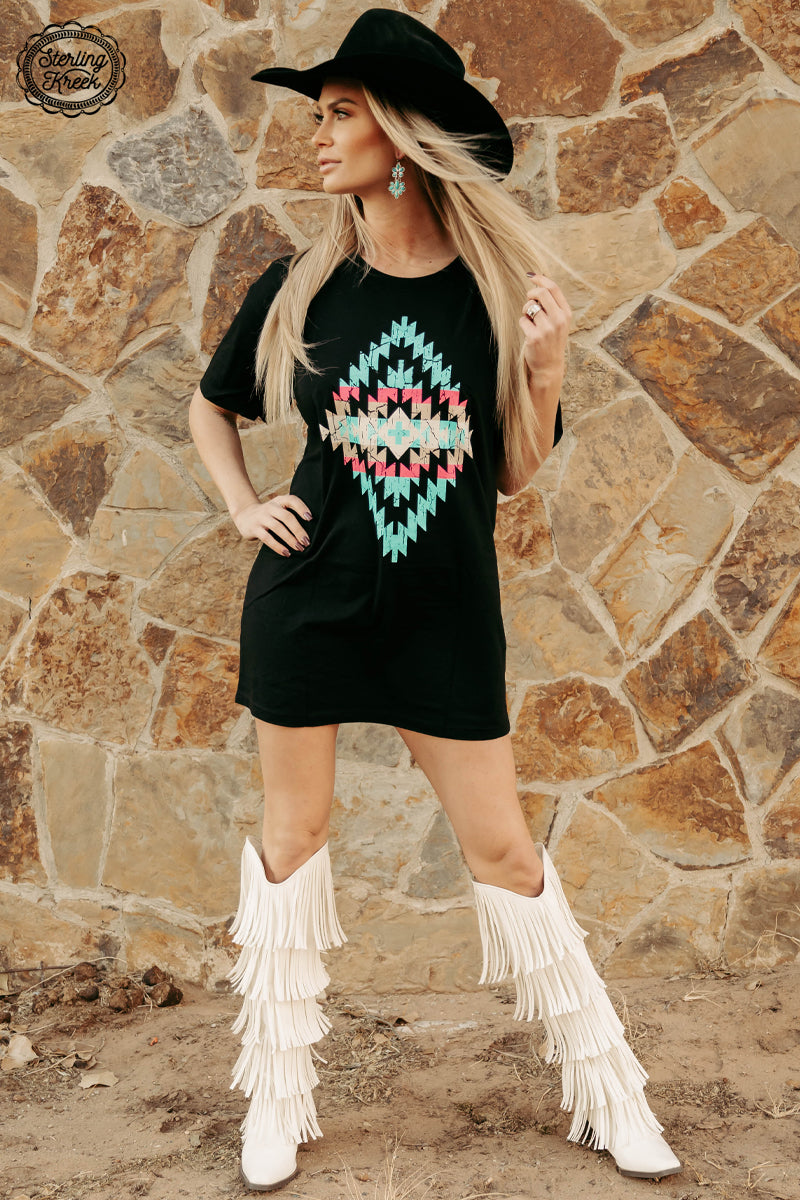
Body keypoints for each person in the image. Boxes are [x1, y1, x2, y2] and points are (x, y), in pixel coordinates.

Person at [189, 9, 682, 1193]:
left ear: (402, 137)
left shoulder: (491, 295)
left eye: (340, 113)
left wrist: (547, 367)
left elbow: (509, 474)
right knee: (292, 839)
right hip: (308, 601)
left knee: (504, 849)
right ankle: (277, 1101)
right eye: (318, 115)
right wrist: (245, 507)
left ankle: (610, 1095)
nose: (317, 135)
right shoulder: (301, 286)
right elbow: (212, 405)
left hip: (445, 613)